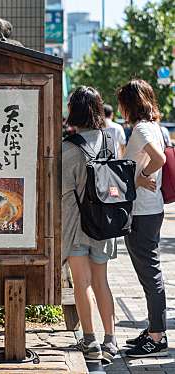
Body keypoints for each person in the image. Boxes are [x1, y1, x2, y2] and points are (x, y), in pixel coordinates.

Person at [62, 86, 117, 363]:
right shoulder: (109, 141)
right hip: (106, 223)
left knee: (81, 283)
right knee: (101, 281)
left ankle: (90, 341)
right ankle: (111, 340)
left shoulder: (68, 148)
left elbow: (61, 189)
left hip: (76, 225)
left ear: (74, 110)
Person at [117, 79, 167, 358]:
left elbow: (159, 159)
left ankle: (157, 337)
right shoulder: (154, 127)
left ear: (131, 104)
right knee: (148, 272)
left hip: (144, 211)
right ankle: (153, 330)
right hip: (150, 209)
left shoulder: (141, 128)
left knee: (150, 273)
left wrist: (142, 176)